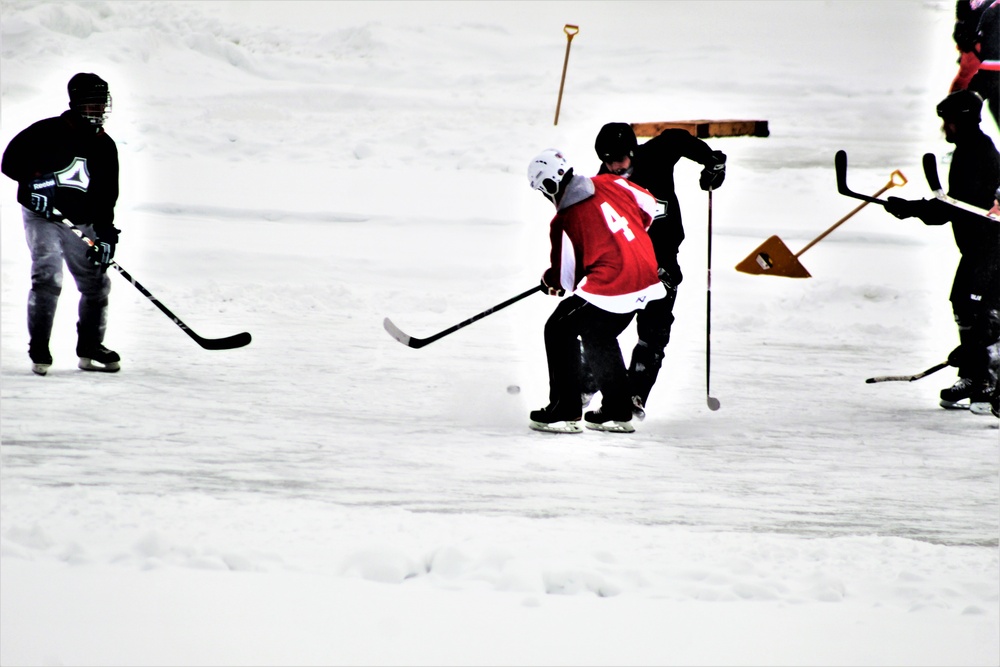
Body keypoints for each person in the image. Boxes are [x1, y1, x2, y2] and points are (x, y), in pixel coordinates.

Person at [526, 148, 666, 434]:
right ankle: (619, 408)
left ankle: (565, 408)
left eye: (544, 190)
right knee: (597, 333)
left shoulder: (564, 219)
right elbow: (651, 204)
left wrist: (550, 281)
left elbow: (565, 280)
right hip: (647, 279)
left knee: (558, 327)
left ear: (550, 185)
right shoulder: (610, 182)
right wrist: (629, 240)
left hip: (615, 284)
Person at [591, 122, 726, 416]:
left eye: (620, 159)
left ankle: (636, 394)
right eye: (608, 160)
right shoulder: (602, 184)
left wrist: (711, 161)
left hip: (663, 263)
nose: (615, 167)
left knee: (654, 333)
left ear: (633, 151)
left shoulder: (655, 155)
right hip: (624, 268)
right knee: (600, 331)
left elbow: (677, 137)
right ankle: (587, 385)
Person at [884, 90, 1000, 415]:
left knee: (980, 313)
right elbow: (954, 205)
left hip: (991, 246)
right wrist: (913, 208)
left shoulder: (978, 152)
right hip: (978, 246)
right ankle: (972, 375)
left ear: (960, 121)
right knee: (963, 303)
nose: (944, 128)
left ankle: (985, 382)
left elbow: (955, 207)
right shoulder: (969, 149)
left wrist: (914, 209)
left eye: (947, 122)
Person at [2, 72, 122, 376]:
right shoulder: (46, 131)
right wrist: (33, 185)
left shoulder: (105, 146)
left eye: (101, 103)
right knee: (48, 275)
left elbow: (107, 196)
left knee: (96, 283)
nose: (98, 109)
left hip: (81, 222)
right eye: (92, 103)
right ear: (76, 103)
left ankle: (91, 348)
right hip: (44, 218)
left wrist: (106, 236)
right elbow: (10, 163)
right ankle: (39, 347)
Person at [950, 0, 999, 128]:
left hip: (988, 46)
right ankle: (953, 122)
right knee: (965, 80)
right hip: (976, 42)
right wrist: (961, 26)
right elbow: (963, 7)